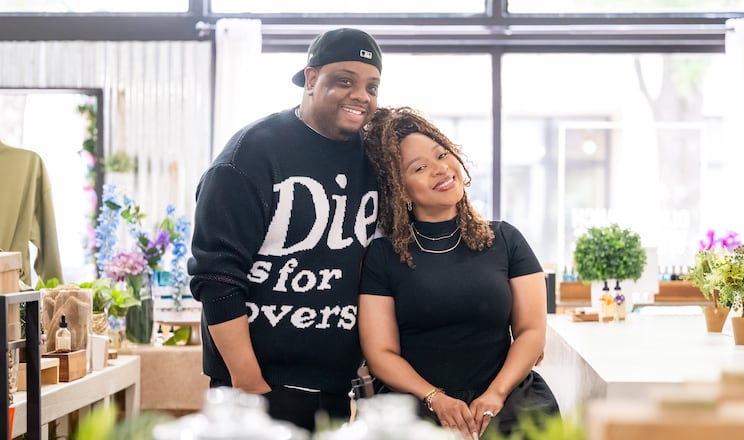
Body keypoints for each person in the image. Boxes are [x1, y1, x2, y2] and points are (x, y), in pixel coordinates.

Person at [188, 28, 382, 432]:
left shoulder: (374, 160)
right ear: (311, 80)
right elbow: (217, 278)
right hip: (256, 389)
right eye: (345, 80)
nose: (361, 95)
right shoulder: (251, 155)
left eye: (371, 85)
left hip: (334, 393)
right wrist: (249, 387)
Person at [358, 107, 559, 439]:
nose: (440, 170)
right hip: (418, 410)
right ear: (401, 190)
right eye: (420, 167)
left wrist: (495, 394)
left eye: (441, 155)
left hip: (509, 401)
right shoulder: (383, 256)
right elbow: (380, 354)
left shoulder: (506, 239)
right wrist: (436, 398)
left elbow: (532, 332)